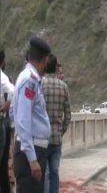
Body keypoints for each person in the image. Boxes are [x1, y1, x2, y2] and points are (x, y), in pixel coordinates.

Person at [12, 37, 51, 193]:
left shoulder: (29, 78)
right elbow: (23, 120)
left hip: (33, 149)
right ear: (44, 59)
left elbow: (14, 112)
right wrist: (32, 159)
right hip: (31, 151)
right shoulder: (29, 80)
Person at [42, 54, 71, 193]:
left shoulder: (39, 84)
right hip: (57, 138)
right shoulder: (64, 87)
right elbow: (68, 115)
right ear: (55, 68)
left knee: (45, 174)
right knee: (54, 172)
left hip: (42, 137)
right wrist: (61, 130)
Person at [0, 48, 15, 193]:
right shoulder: (3, 76)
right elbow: (13, 91)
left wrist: (6, 105)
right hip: (3, 122)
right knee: (3, 164)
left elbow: (12, 91)